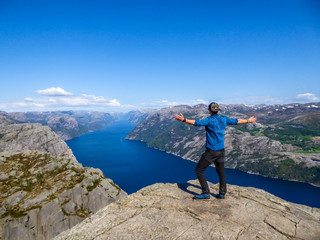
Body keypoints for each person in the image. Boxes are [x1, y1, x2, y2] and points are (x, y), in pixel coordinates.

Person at [174, 102, 256, 200]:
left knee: (199, 170)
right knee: (221, 172)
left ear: (209, 110)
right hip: (221, 151)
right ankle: (222, 194)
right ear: (218, 110)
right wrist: (248, 120)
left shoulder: (209, 120)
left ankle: (206, 193)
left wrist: (183, 120)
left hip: (211, 152)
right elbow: (236, 121)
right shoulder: (224, 119)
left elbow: (196, 123)